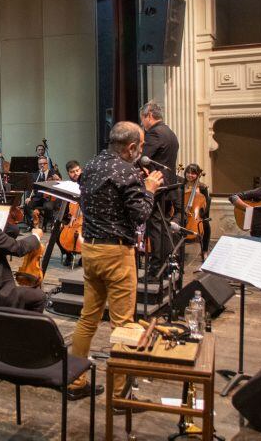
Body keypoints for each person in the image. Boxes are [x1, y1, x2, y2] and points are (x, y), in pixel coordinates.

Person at [67, 121, 163, 402]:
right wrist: (149, 187)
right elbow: (141, 215)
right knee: (122, 324)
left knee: (88, 318)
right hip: (117, 254)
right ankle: (121, 396)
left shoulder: (91, 165)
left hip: (91, 251)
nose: (142, 151)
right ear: (131, 147)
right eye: (141, 146)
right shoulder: (127, 173)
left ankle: (76, 381)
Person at [140, 101, 181, 277]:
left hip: (157, 186)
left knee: (155, 228)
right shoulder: (170, 133)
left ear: (149, 115)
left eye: (143, 119)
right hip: (168, 186)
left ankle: (156, 268)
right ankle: (166, 265)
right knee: (163, 227)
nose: (143, 123)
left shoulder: (155, 133)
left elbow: (143, 158)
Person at [182, 164, 211, 260]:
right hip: (182, 213)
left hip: (197, 214)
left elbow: (206, 205)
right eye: (188, 172)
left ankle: (205, 251)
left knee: (206, 224)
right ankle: (177, 251)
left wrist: (200, 215)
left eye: (193, 173)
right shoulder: (181, 186)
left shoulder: (203, 187)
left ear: (198, 174)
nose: (190, 175)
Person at [24, 156, 60, 229]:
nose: (42, 165)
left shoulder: (53, 172)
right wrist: (28, 197)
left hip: (49, 198)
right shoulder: (35, 175)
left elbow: (59, 184)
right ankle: (33, 222)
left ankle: (44, 224)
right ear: (38, 165)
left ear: (47, 164)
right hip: (37, 198)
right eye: (40, 164)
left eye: (44, 163)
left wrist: (58, 179)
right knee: (27, 205)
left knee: (48, 207)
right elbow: (30, 188)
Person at [58, 160, 83, 267]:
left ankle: (85, 255)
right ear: (68, 173)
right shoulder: (67, 187)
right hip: (71, 218)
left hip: (85, 219)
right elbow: (62, 205)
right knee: (57, 231)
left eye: (77, 170)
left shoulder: (88, 184)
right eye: (72, 172)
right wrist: (61, 221)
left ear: (81, 170)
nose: (76, 173)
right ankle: (68, 254)